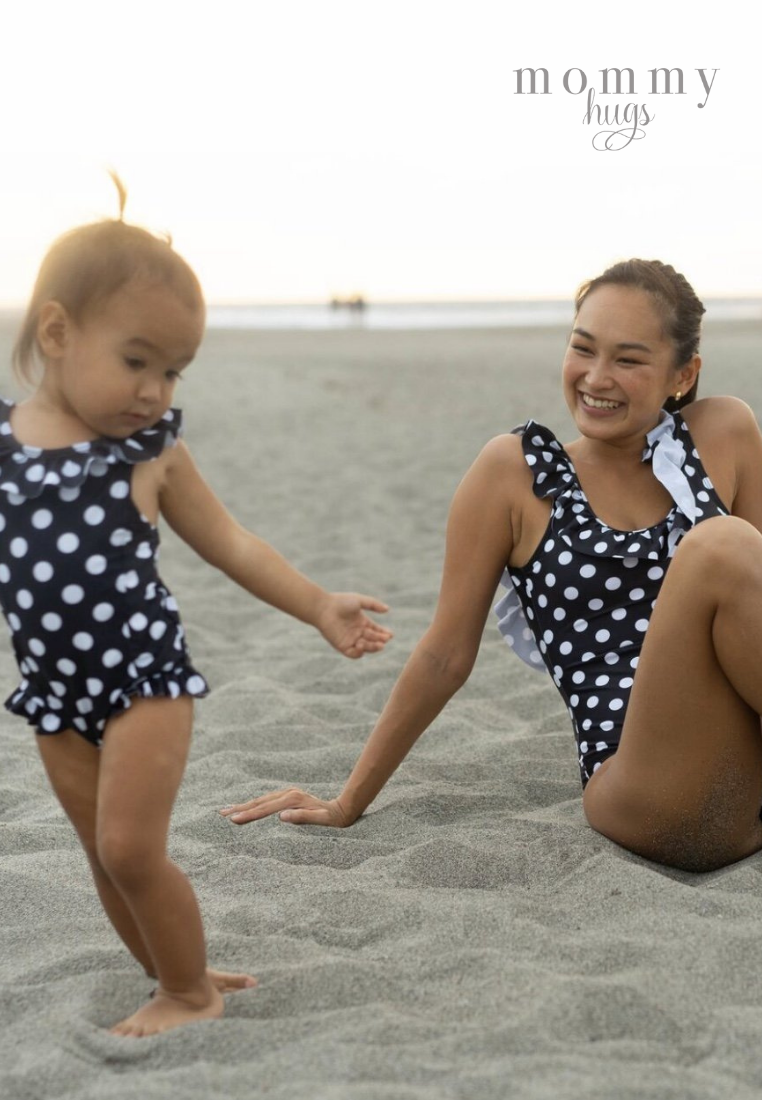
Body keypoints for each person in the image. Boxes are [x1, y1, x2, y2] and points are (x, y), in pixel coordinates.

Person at [222, 259, 762, 874]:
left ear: (682, 374)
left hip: (745, 769)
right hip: (648, 791)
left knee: (729, 549)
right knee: (721, 546)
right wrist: (348, 801)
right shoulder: (517, 476)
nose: (596, 376)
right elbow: (444, 656)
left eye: (629, 360)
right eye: (582, 348)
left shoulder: (724, 433)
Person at [0, 190, 392, 1038]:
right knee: (104, 857)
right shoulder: (7, 449)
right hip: (52, 694)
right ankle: (172, 969)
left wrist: (320, 606)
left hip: (145, 680)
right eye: (138, 361)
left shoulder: (151, 452)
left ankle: (188, 994)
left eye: (173, 371)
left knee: (132, 848)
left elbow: (233, 546)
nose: (155, 390)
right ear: (58, 333)